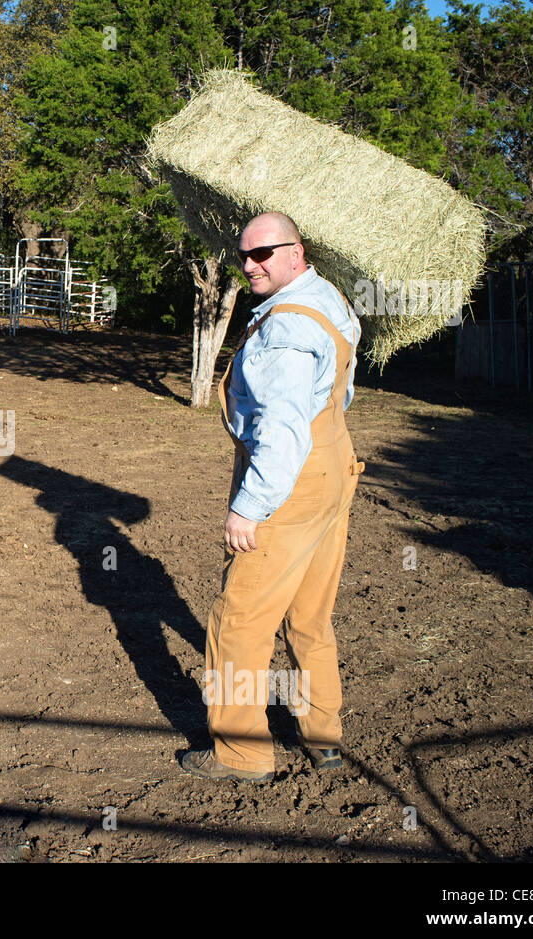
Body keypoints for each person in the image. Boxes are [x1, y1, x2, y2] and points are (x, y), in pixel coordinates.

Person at [180, 211, 365, 783]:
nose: (251, 265)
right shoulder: (327, 298)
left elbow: (281, 430)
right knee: (310, 615)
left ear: (296, 251)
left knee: (238, 622)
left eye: (264, 254)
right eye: (244, 256)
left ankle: (242, 754)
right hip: (335, 464)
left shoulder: (283, 330)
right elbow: (341, 379)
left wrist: (249, 507)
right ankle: (323, 735)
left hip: (289, 480)